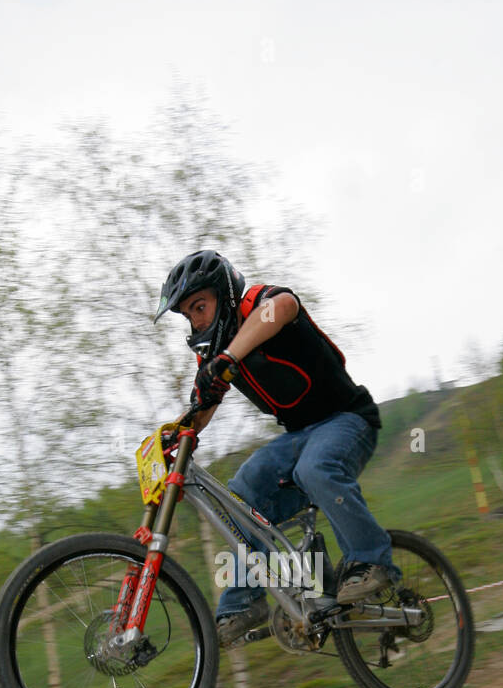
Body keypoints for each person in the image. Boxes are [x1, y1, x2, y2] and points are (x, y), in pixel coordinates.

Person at [153, 249, 402, 646]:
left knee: (314, 470)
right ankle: (243, 604)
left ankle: (372, 560)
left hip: (348, 420)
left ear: (225, 294)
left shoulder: (259, 305)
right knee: (242, 494)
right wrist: (177, 438)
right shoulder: (221, 358)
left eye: (199, 307)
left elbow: (285, 306)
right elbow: (201, 412)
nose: (196, 321)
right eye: (188, 315)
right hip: (299, 437)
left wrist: (228, 357)